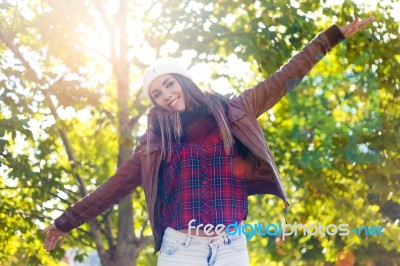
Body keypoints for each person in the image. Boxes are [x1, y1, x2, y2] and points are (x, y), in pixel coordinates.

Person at [41, 16, 375, 265]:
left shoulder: (234, 111)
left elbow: (285, 76)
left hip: (230, 245)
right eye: (156, 93)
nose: (165, 95)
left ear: (183, 82)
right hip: (181, 248)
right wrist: (65, 222)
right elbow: (114, 186)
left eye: (169, 85)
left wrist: (330, 37)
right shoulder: (154, 142)